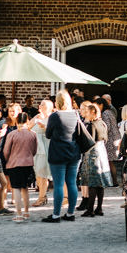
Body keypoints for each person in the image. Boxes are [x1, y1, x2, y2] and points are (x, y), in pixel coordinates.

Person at [43, 89, 81, 223]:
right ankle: (70, 213)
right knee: (72, 183)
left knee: (58, 184)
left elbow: (48, 134)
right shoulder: (76, 114)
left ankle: (56, 215)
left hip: (58, 153)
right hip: (73, 152)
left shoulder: (55, 116)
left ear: (56, 102)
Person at [1, 112, 36, 221]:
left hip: (14, 163)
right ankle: (26, 211)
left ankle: (19, 214)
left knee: (15, 188)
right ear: (27, 121)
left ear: (16, 121)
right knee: (25, 188)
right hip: (28, 163)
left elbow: (6, 151)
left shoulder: (12, 134)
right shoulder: (33, 134)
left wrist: (7, 160)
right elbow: (34, 150)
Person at [77, 101, 110, 217]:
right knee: (100, 183)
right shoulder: (102, 123)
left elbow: (89, 141)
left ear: (93, 112)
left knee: (92, 183)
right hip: (102, 152)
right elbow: (105, 138)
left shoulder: (92, 125)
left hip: (93, 153)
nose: (85, 115)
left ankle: (90, 209)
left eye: (87, 112)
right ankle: (99, 208)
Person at [30, 98, 53, 207]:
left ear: (49, 107)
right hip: (36, 147)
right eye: (40, 104)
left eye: (43, 105)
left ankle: (42, 197)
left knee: (42, 172)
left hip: (45, 147)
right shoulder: (37, 117)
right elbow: (27, 127)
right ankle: (42, 196)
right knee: (38, 173)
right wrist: (34, 121)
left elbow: (53, 132)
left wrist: (45, 127)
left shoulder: (51, 118)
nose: (40, 106)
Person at [95, 96, 121, 185]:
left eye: (97, 105)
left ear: (101, 105)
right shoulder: (110, 112)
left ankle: (114, 182)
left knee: (109, 161)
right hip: (115, 138)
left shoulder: (105, 113)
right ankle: (113, 181)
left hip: (110, 140)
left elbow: (107, 127)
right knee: (110, 161)